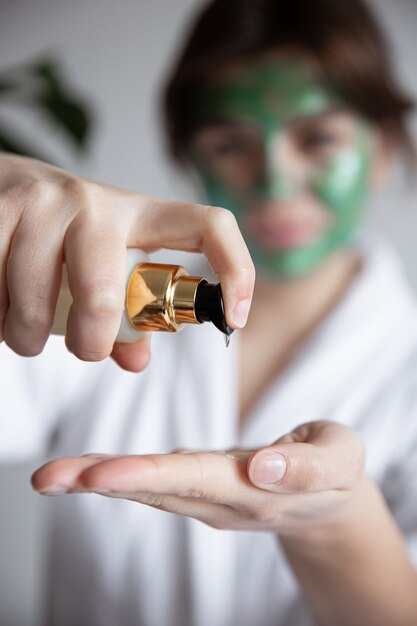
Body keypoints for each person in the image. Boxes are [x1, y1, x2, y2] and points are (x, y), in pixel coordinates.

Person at [2, 0, 417, 624]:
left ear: (384, 147)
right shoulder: (107, 298)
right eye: (230, 143)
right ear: (188, 157)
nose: (275, 181)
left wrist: (337, 525)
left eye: (319, 138)